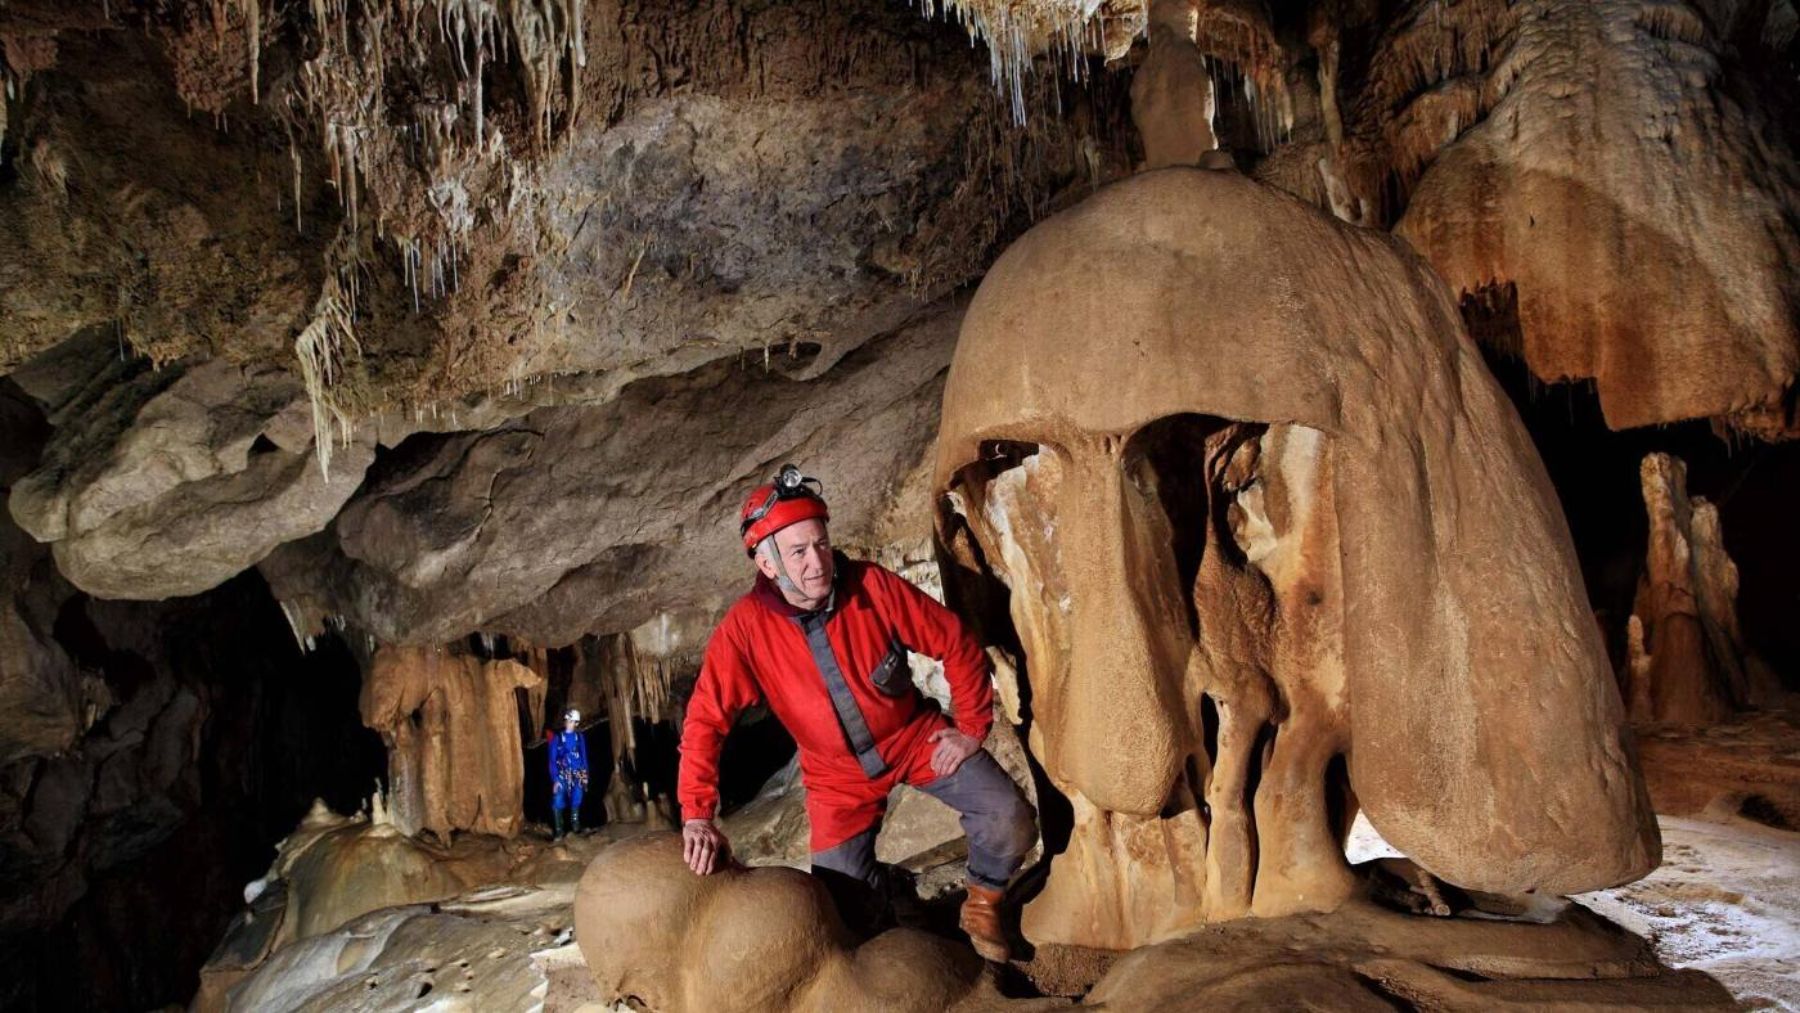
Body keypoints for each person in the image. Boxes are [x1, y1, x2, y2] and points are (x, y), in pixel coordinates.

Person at [677, 464, 1036, 962]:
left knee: (1009, 817)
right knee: (843, 911)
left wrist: (971, 728)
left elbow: (954, 642)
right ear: (767, 564)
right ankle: (895, 897)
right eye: (798, 552)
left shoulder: (871, 587)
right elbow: (704, 721)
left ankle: (982, 903)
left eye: (820, 544)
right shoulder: (745, 631)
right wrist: (697, 814)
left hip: (914, 741)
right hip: (836, 778)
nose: (817, 561)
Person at [548, 707, 590, 839]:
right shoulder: (557, 738)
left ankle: (575, 827)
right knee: (558, 798)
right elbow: (552, 760)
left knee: (577, 797)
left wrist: (585, 775)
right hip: (562, 774)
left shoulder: (579, 738)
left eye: (571, 721)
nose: (568, 723)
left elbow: (584, 757)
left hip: (577, 772)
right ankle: (559, 830)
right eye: (567, 720)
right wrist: (555, 779)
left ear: (576, 723)